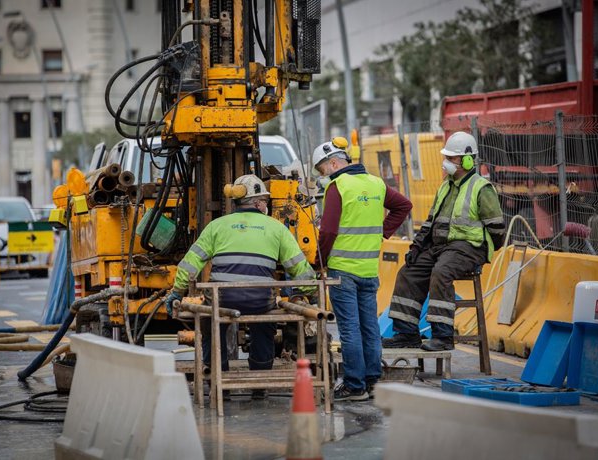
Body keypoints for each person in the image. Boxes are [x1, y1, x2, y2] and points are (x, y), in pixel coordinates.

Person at [165, 174, 317, 399]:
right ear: (257, 203)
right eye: (264, 200)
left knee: (210, 325)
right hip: (260, 300)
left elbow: (190, 263)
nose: (266, 204)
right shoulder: (276, 228)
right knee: (265, 327)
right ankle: (260, 384)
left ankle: (218, 382)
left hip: (221, 299)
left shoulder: (216, 226)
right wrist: (308, 293)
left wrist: (176, 291)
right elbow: (300, 269)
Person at [383, 131, 505, 351]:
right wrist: (417, 246)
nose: (446, 162)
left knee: (441, 272)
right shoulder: (445, 186)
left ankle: (442, 337)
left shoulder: (481, 188)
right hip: (442, 247)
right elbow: (430, 222)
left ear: (468, 160)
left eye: (451, 158)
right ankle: (407, 334)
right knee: (408, 273)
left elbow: (497, 229)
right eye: (446, 157)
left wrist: (482, 251)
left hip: (469, 248)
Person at [314, 137, 413, 401]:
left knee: (349, 328)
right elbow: (404, 206)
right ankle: (372, 383)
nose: (323, 176)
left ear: (333, 163)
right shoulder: (376, 183)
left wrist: (318, 261)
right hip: (369, 269)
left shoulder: (338, 186)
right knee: (369, 326)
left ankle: (354, 385)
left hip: (342, 270)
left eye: (322, 170)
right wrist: (382, 233)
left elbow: (329, 231)